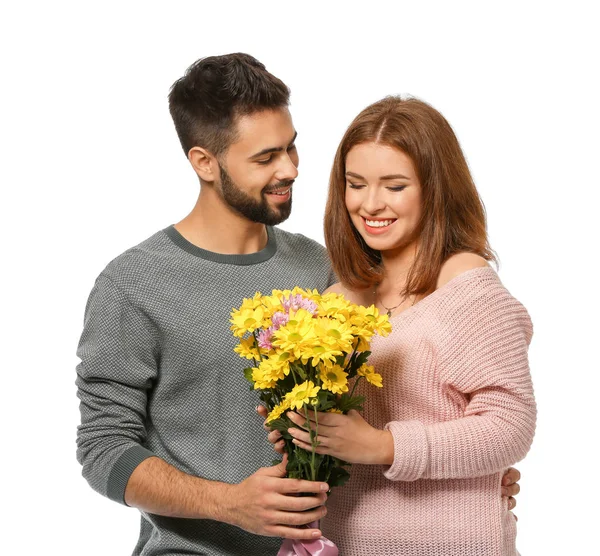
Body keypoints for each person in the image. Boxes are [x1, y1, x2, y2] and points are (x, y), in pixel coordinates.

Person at [76, 53, 521, 555]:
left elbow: (401, 400)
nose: (289, 169)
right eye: (265, 158)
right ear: (204, 162)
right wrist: (227, 503)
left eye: (291, 148)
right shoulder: (135, 283)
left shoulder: (331, 274)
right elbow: (102, 448)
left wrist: (473, 479)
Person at [268, 96, 534, 555]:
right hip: (343, 541)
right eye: (356, 184)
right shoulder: (337, 301)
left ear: (435, 189)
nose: (370, 204)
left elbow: (510, 426)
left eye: (394, 186)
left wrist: (383, 445)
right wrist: (301, 429)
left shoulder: (467, 288)